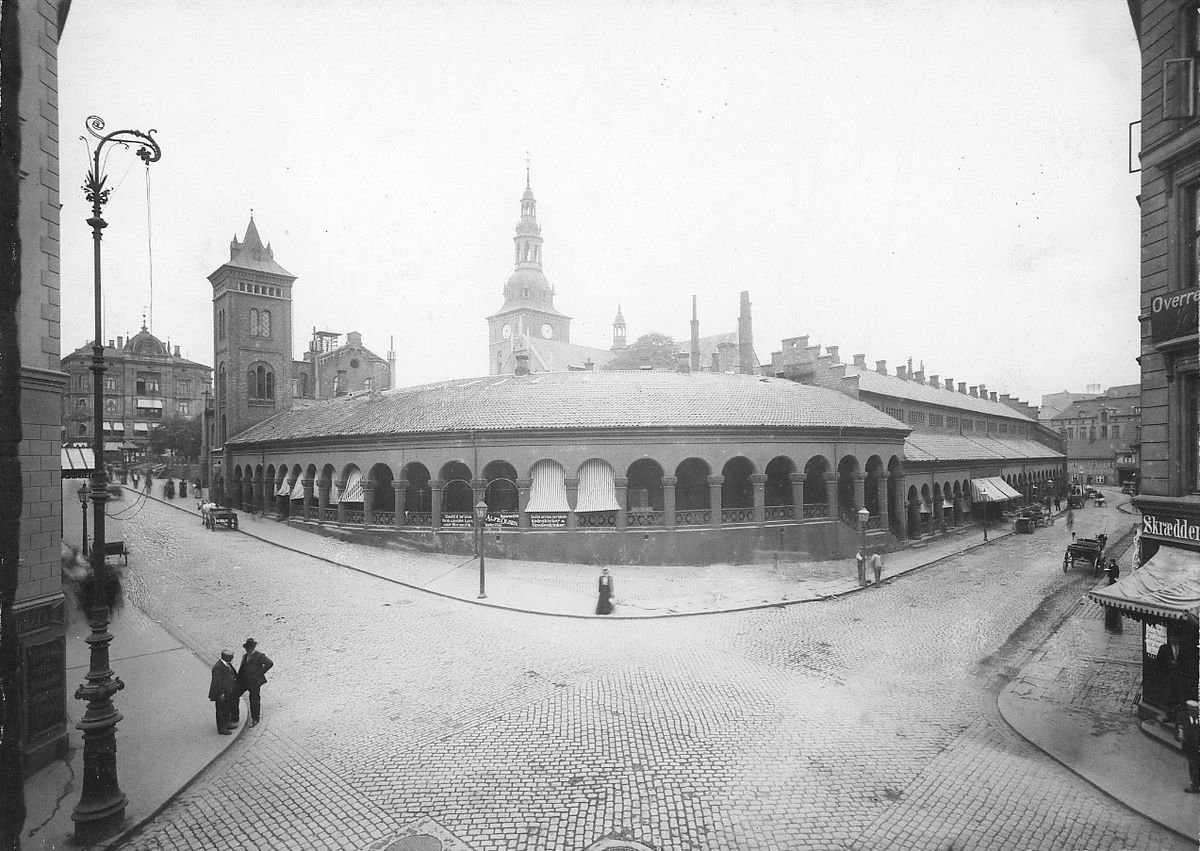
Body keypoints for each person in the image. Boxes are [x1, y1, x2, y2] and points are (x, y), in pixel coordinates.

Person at [234, 638, 274, 728]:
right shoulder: (245, 656)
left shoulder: (259, 656)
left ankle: (255, 718)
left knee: (254, 700)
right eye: (247, 648)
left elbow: (269, 663)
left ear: (253, 647)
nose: (248, 650)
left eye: (249, 648)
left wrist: (260, 672)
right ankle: (234, 716)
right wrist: (237, 680)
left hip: (254, 682)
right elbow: (242, 669)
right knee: (234, 695)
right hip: (244, 681)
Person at [208, 650, 238, 735]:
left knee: (227, 709)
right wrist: (220, 694)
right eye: (231, 656)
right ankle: (222, 728)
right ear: (225, 657)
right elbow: (216, 682)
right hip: (222, 694)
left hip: (228, 692)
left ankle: (227, 724)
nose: (232, 658)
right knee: (221, 711)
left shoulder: (227, 664)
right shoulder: (218, 667)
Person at [1158, 635, 1185, 723]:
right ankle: (1169, 715)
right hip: (1169, 676)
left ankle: (1178, 716)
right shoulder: (1164, 648)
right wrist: (1169, 663)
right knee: (1169, 696)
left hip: (1179, 677)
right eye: (1173, 638)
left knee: (1179, 696)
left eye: (1177, 638)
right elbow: (1159, 661)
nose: (1175, 640)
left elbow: (1186, 662)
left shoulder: (1183, 649)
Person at [1182, 701, 1200, 793]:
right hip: (1191, 747)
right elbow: (1181, 730)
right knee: (1193, 766)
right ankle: (1195, 785)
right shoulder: (1185, 718)